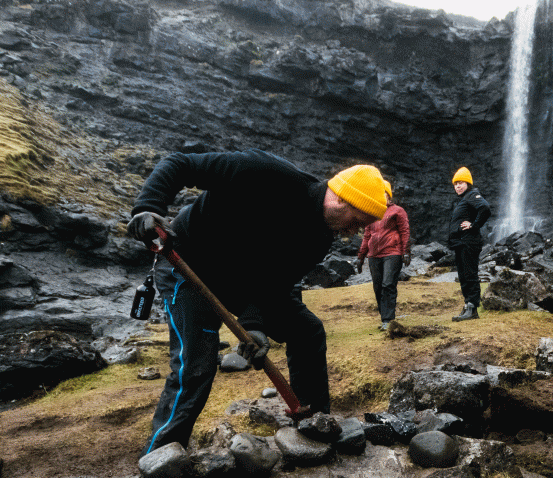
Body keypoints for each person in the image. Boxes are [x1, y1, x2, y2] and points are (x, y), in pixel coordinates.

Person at [126, 149, 387, 455]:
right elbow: (180, 164)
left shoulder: (319, 238)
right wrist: (147, 208)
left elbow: (274, 284)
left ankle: (315, 426)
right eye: (358, 221)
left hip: (241, 282)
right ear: (342, 200)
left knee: (307, 331)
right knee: (197, 363)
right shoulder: (264, 173)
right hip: (187, 263)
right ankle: (161, 455)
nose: (355, 232)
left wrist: (254, 324)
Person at [356, 180, 412, 332]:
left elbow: (405, 232)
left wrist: (406, 252)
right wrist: (360, 258)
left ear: (389, 194)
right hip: (373, 255)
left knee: (388, 284)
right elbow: (367, 235)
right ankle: (384, 318)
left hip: (392, 253)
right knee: (377, 286)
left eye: (384, 193)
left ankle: (388, 319)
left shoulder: (398, 211)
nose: (381, 196)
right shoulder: (371, 212)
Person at [447, 166, 491, 322]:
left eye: (461, 183)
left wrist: (474, 224)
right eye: (455, 184)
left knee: (469, 274)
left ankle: (472, 308)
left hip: (468, 242)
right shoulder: (465, 199)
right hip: (461, 242)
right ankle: (468, 306)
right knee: (463, 275)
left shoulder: (472, 194)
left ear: (468, 183)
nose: (458, 186)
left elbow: (485, 208)